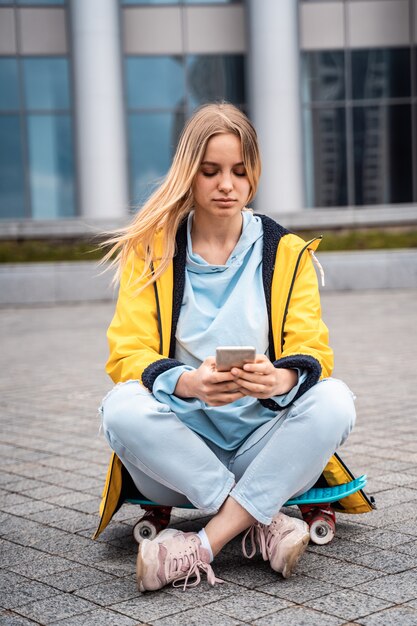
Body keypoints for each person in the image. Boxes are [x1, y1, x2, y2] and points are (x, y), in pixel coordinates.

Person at [99, 102, 356, 592]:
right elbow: (126, 352)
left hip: (266, 449)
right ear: (188, 174)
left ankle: (202, 544)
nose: (226, 185)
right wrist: (187, 383)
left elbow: (312, 349)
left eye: (240, 171)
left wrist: (281, 379)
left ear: (253, 173)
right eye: (211, 171)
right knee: (118, 408)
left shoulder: (286, 252)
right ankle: (261, 519)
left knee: (335, 399)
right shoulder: (150, 250)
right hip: (179, 458)